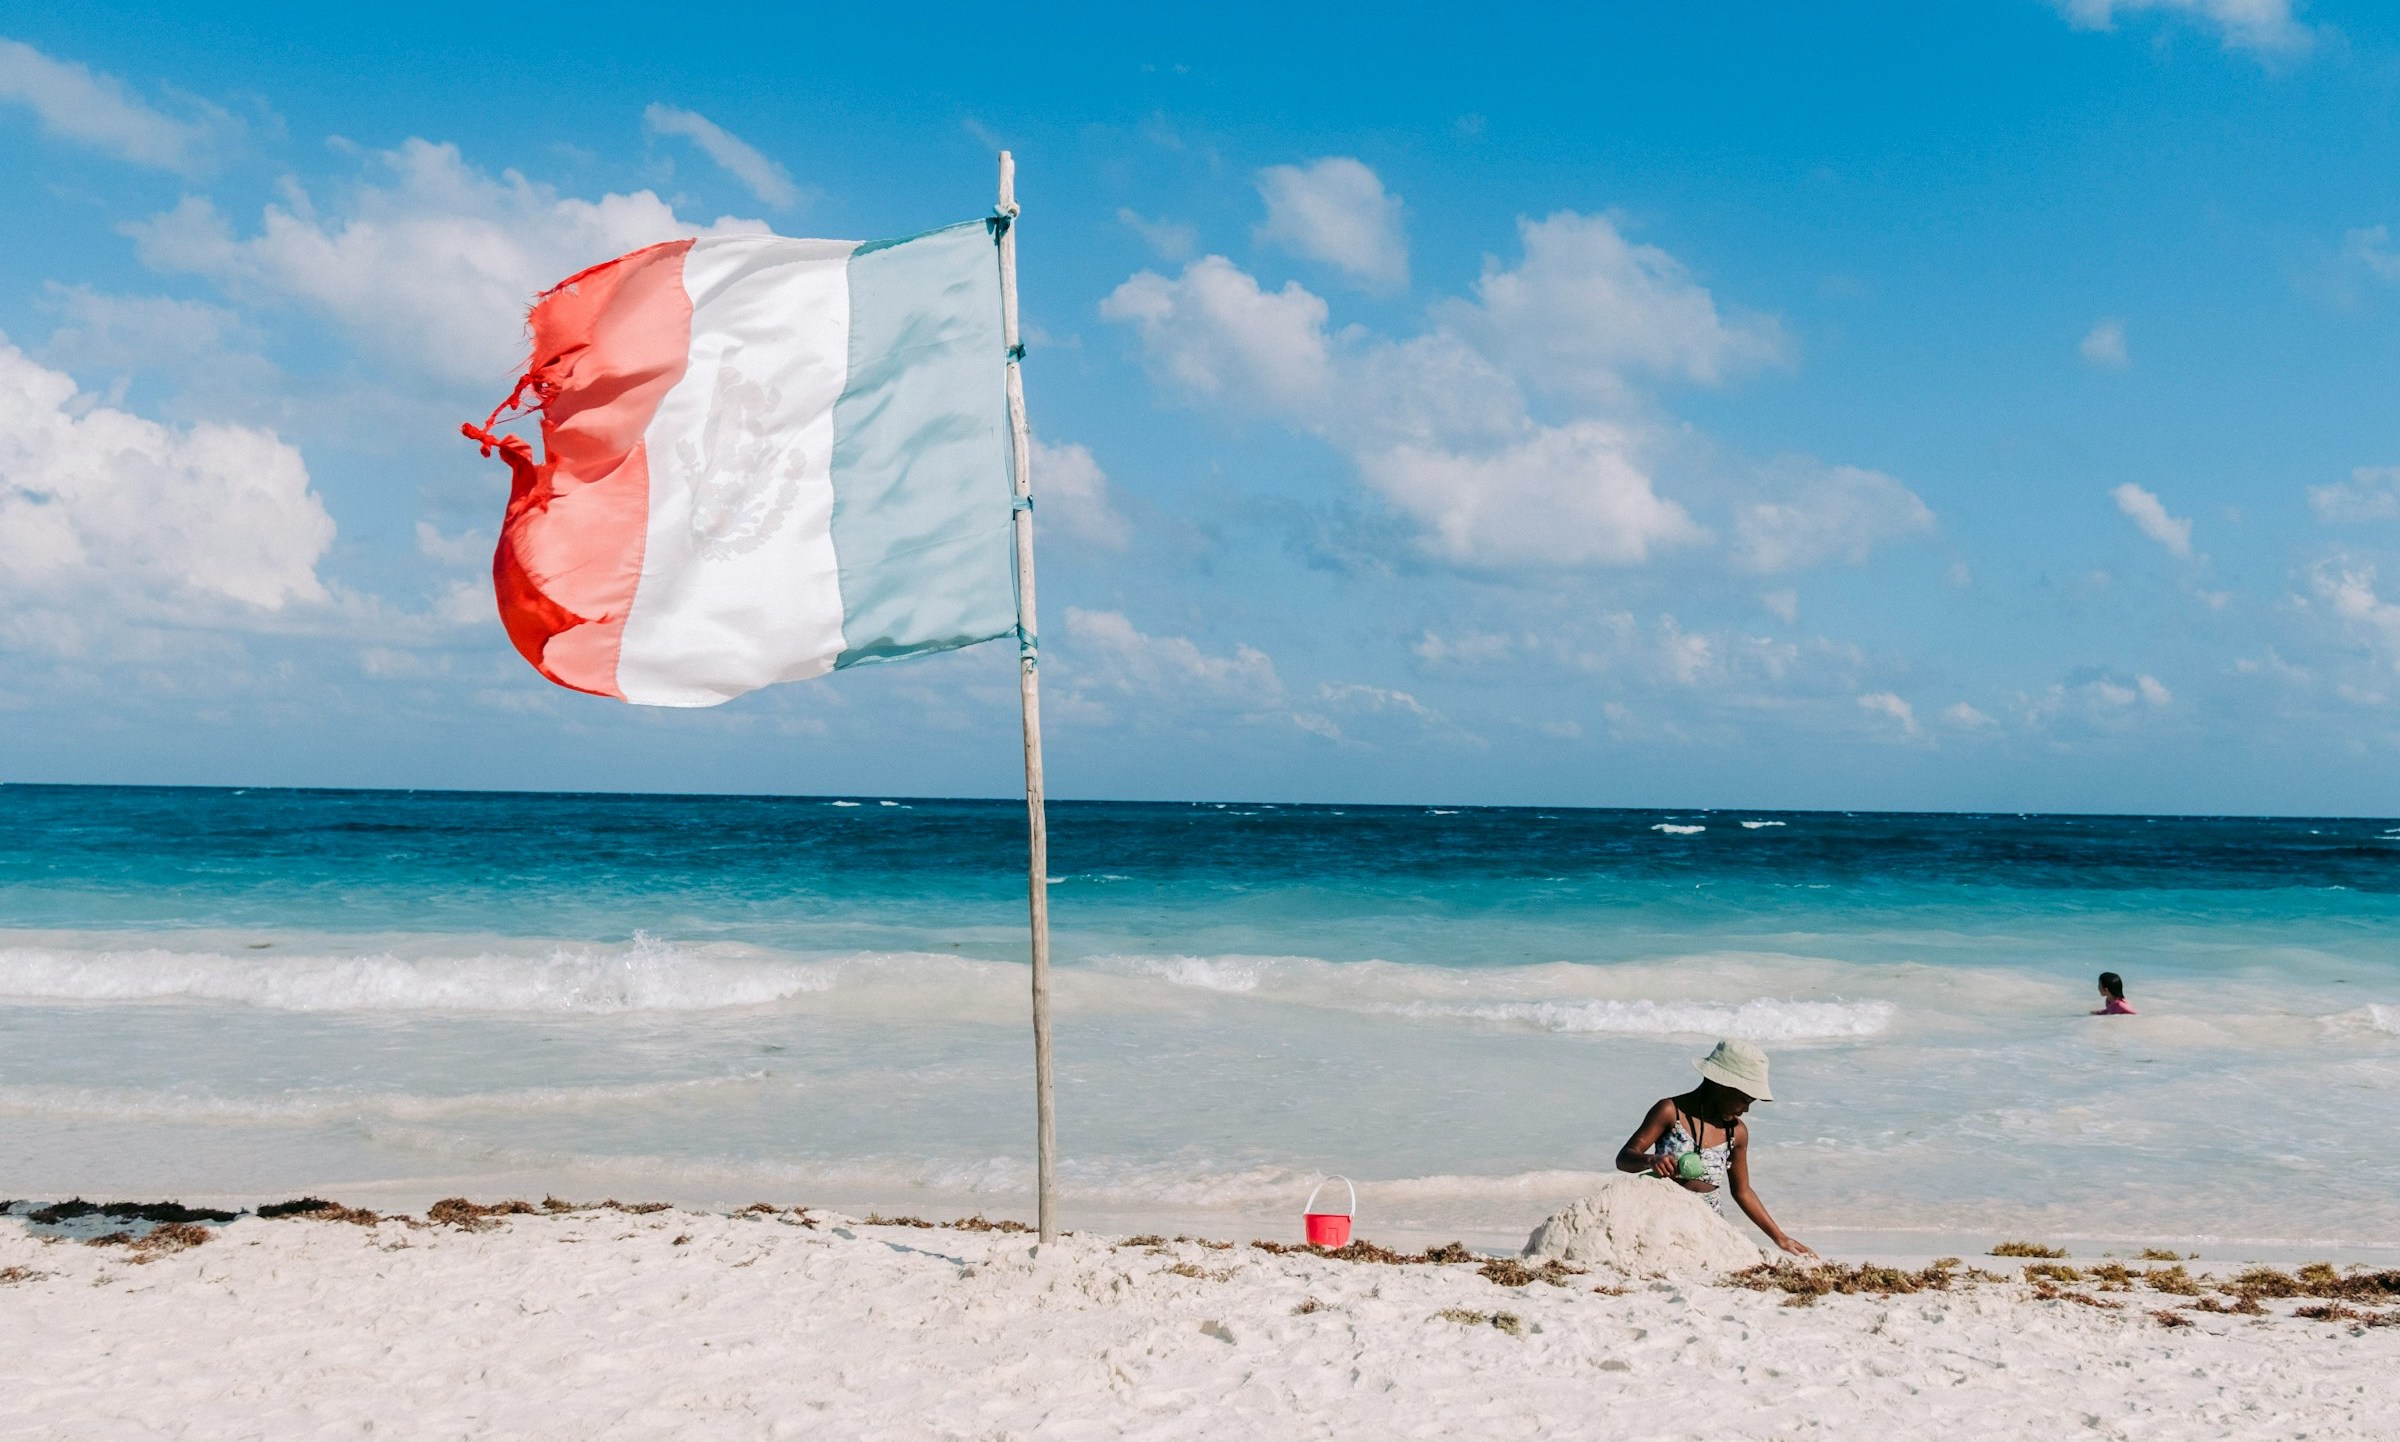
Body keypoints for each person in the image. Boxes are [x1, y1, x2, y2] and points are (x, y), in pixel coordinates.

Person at [1616, 1037, 1814, 1256]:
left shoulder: (1736, 1133)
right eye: (1744, 1100)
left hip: (1709, 1227)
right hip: (1663, 1219)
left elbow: (1743, 1191)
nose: (1746, 1110)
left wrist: (1780, 1238)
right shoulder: (1670, 1111)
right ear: (1723, 1085)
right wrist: (1651, 1160)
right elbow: (1624, 1158)